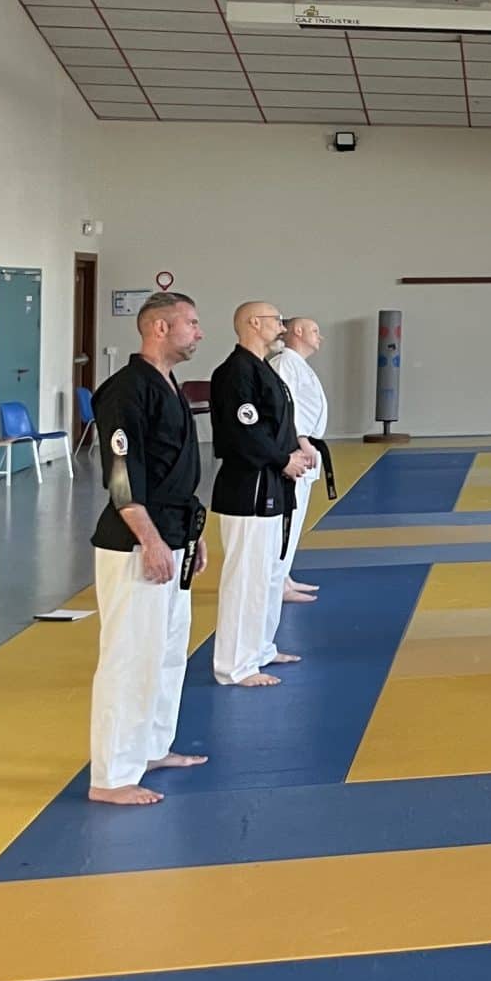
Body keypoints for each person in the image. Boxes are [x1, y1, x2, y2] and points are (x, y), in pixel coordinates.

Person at [86, 291, 210, 806]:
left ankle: (152, 747)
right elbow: (121, 476)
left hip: (173, 533)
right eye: (191, 323)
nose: (199, 332)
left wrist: (192, 535)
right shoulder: (126, 391)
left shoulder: (169, 385)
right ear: (159, 328)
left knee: (166, 653)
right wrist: (151, 539)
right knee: (130, 657)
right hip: (136, 542)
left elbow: (175, 472)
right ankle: (111, 776)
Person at [210, 300, 314, 688]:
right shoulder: (236, 372)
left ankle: (260, 649)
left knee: (269, 573)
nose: (282, 327)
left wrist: (296, 449)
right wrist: (282, 459)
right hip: (248, 485)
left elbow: (276, 424)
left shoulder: (262, 368)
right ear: (254, 323)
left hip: (271, 481)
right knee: (245, 577)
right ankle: (234, 665)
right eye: (276, 320)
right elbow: (244, 432)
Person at [268, 316, 330, 606]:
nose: (320, 336)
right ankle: (277, 582)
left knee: (296, 520)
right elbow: (284, 407)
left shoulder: (296, 363)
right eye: (315, 331)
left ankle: (284, 576)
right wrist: (301, 439)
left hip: (306, 446)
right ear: (297, 331)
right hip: (296, 448)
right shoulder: (284, 363)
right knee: (287, 521)